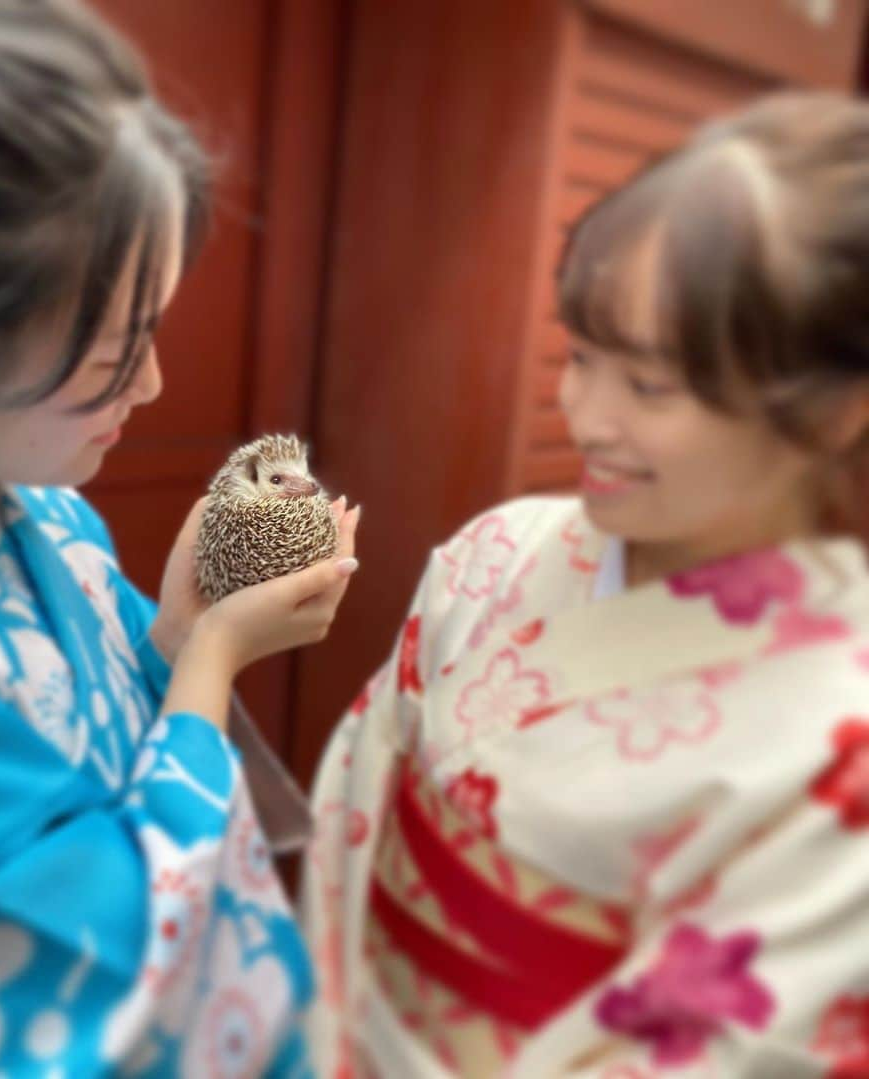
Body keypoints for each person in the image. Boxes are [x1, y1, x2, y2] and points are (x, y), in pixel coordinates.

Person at [0, 1, 359, 1075]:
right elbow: (102, 992)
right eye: (113, 349)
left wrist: (175, 630)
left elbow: (91, 742)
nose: (151, 383)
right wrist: (213, 656)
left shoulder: (28, 493)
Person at [302, 92, 869, 1078]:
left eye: (648, 387)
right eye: (581, 356)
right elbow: (361, 797)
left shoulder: (843, 735)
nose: (587, 416)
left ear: (830, 417)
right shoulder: (500, 550)